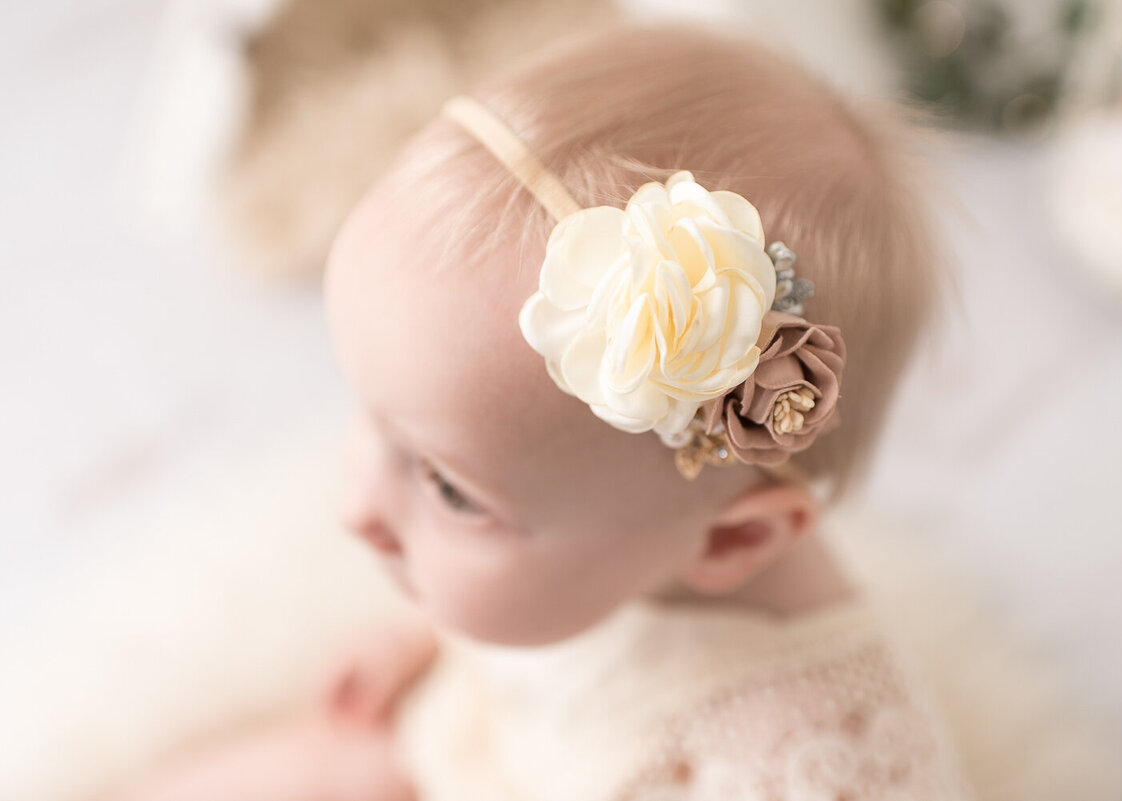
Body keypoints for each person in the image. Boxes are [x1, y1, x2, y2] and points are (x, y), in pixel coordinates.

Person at [120, 23, 971, 801]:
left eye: (451, 492)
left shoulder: (797, 767)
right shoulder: (616, 521)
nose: (357, 507)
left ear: (733, 540)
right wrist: (419, 640)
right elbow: (525, 560)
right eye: (370, 418)